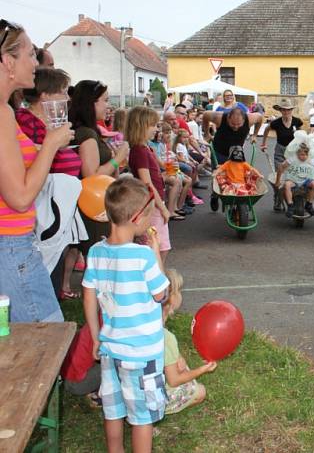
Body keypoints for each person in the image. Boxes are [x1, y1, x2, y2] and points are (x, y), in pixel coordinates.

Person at [82, 176, 170, 453]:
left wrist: (96, 338)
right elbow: (161, 295)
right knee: (142, 418)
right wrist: (156, 254)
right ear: (136, 218)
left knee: (114, 409)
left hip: (110, 349)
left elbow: (88, 297)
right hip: (142, 354)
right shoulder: (142, 256)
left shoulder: (96, 252)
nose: (150, 220)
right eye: (149, 215)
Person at [0, 20, 72, 322]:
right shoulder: (1, 114)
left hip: (11, 246)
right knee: (44, 344)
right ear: (8, 62)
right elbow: (19, 196)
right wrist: (50, 145)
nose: (36, 61)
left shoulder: (6, 110)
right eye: (30, 54)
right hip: (11, 246)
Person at [16, 67, 84, 299]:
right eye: (63, 92)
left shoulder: (51, 124)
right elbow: (27, 157)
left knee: (59, 253)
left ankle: (53, 298)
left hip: (58, 199)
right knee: (46, 256)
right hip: (43, 200)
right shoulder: (26, 121)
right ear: (45, 95)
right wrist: (53, 143)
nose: (67, 98)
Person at [70, 80, 131, 259]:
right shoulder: (87, 134)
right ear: (91, 103)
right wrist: (117, 158)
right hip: (93, 208)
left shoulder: (90, 131)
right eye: (105, 100)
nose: (108, 105)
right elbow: (92, 176)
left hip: (94, 205)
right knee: (99, 259)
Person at [161, 269, 217, 414]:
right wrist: (201, 370)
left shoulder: (149, 326)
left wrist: (178, 358)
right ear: (171, 298)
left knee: (183, 369)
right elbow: (173, 380)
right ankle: (153, 416)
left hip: (130, 389)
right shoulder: (167, 338)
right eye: (179, 291)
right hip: (148, 400)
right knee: (199, 391)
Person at [125, 107, 174, 259]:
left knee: (160, 246)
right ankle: (155, 278)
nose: (156, 129)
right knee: (157, 246)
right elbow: (147, 183)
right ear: (142, 126)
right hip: (151, 204)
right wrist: (162, 207)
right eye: (153, 125)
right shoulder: (139, 150)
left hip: (153, 202)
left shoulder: (145, 148)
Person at [260, 97, 303, 210]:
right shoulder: (276, 123)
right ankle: (278, 198)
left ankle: (294, 197)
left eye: (288, 109)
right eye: (283, 110)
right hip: (280, 151)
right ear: (280, 110)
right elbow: (266, 129)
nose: (286, 112)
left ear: (291, 110)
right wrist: (263, 143)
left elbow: (302, 134)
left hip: (294, 152)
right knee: (278, 177)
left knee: (293, 175)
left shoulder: (297, 121)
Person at [274, 132, 314, 216]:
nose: (302, 157)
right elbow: (281, 167)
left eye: (305, 155)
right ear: (297, 153)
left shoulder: (311, 160)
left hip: (306, 180)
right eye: (300, 155)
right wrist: (278, 180)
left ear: (308, 154)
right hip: (294, 179)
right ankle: (290, 205)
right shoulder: (292, 159)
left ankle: (309, 204)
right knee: (287, 185)